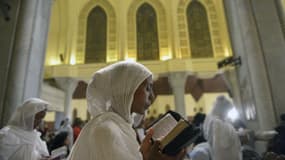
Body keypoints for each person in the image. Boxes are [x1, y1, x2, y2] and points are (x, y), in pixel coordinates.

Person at [68, 61, 185, 160]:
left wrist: (143, 155)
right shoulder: (105, 130)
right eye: (147, 88)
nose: (152, 97)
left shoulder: (122, 127)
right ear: (127, 89)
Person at [203, 95, 242, 160]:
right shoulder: (217, 123)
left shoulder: (217, 121)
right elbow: (219, 149)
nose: (227, 113)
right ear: (223, 109)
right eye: (227, 111)